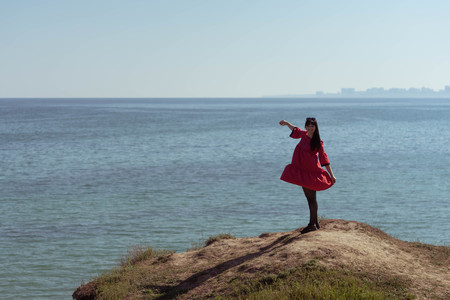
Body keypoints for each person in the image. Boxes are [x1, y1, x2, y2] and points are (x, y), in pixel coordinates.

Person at [279, 117, 336, 234]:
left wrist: (332, 175)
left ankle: (312, 224)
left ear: (316, 127)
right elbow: (295, 129)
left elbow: (324, 159)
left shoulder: (318, 142)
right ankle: (315, 222)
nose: (310, 128)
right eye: (308, 126)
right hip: (302, 171)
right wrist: (286, 123)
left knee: (311, 199)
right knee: (311, 199)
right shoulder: (303, 134)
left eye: (312, 126)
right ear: (306, 127)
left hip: (311, 173)